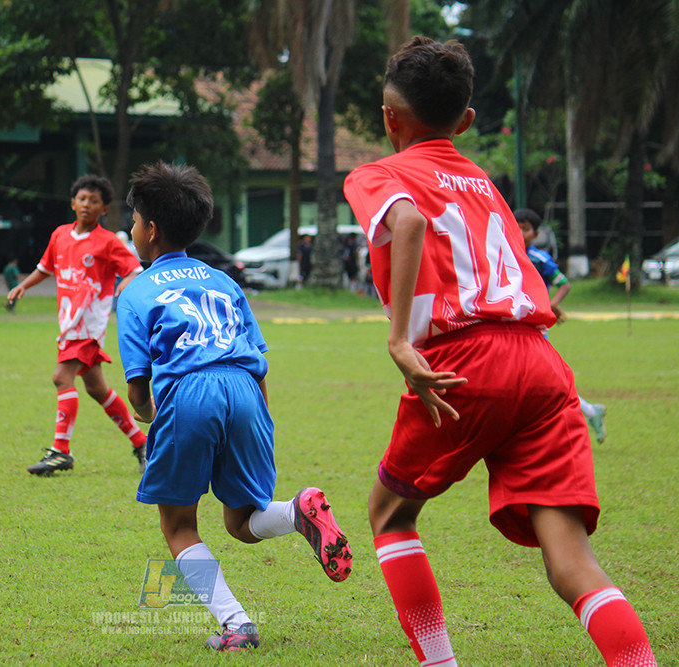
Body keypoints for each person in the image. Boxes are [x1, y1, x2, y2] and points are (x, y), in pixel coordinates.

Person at [343, 37, 656, 667]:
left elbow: (405, 222)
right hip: (541, 363)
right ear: (466, 122)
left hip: (464, 362)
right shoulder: (483, 181)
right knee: (571, 561)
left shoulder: (379, 173)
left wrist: (400, 339)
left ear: (387, 117)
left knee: (391, 514)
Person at [117, 161, 352, 651]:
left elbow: (139, 394)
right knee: (241, 522)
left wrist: (159, 420)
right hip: (246, 390)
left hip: (188, 393)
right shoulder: (224, 281)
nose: (131, 228)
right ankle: (296, 513)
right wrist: (258, 422)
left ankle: (237, 625)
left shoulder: (136, 290)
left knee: (179, 525)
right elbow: (259, 364)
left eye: (134, 220)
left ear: (151, 230)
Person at [7, 174, 147, 475]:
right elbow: (45, 268)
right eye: (82, 199)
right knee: (97, 389)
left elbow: (135, 269)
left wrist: (127, 283)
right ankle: (141, 442)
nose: (87, 204)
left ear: (104, 210)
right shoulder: (60, 235)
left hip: (88, 326)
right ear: (73, 203)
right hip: (69, 324)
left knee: (62, 377)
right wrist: (23, 286)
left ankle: (61, 451)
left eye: (94, 201)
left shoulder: (108, 242)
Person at [515, 208, 607, 443]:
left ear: (535, 235)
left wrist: (551, 305)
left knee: (546, 378)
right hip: (514, 324)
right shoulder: (504, 254)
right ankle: (588, 412)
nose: (519, 231)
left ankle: (583, 414)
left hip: (535, 326)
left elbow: (564, 284)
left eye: (525, 228)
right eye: (516, 225)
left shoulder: (539, 259)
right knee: (531, 378)